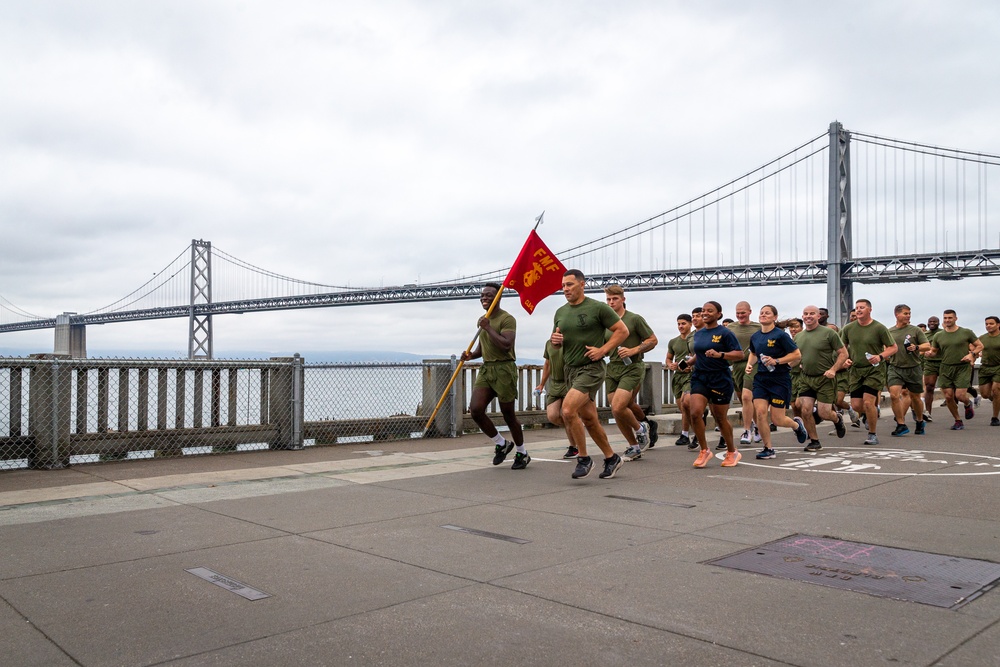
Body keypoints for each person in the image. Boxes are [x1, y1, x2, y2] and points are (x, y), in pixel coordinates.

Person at [550, 270, 629, 480]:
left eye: (569, 284)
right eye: (563, 285)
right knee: (590, 419)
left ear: (582, 284)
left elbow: (622, 331)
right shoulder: (560, 312)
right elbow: (556, 343)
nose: (565, 289)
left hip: (591, 369)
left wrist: (603, 350)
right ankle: (611, 458)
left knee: (567, 411)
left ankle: (583, 458)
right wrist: (555, 341)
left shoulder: (598, 308)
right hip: (570, 369)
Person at [461, 283, 529, 469]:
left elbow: (506, 344)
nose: (484, 298)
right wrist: (470, 356)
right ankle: (501, 443)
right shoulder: (482, 319)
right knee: (475, 409)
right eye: (482, 295)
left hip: (504, 369)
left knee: (508, 415)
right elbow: (482, 349)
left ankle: (522, 452)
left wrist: (488, 327)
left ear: (498, 298)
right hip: (487, 369)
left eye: (489, 295)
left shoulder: (507, 319)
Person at [603, 285, 659, 461]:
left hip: (632, 367)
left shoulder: (634, 319)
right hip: (612, 367)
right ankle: (634, 446)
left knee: (620, 406)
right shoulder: (605, 322)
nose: (611, 302)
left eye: (615, 299)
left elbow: (653, 340)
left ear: (623, 299)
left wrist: (633, 350)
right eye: (608, 299)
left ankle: (641, 428)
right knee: (617, 410)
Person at [745, 305, 806, 460]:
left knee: (777, 419)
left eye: (767, 313)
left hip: (780, 380)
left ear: (774, 317)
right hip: (762, 379)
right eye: (761, 313)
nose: (763, 315)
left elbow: (796, 354)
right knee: (760, 413)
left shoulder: (781, 336)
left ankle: (797, 426)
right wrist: (749, 364)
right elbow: (753, 353)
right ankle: (768, 448)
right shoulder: (755, 336)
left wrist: (777, 360)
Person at [688, 301, 743, 468]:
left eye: (709, 311)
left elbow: (739, 354)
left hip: (720, 379)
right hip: (700, 377)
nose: (705, 313)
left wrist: (721, 355)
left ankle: (732, 451)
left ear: (718, 314)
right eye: (703, 310)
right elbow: (699, 354)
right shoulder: (698, 333)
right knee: (696, 412)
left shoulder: (725, 333)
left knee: (720, 418)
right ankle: (704, 450)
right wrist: (687, 363)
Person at [840, 299, 897, 445]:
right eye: (857, 308)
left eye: (862, 308)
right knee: (857, 406)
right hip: (856, 370)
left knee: (867, 402)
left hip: (874, 370)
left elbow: (893, 347)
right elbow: (842, 348)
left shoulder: (879, 328)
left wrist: (880, 356)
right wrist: (845, 360)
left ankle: (872, 434)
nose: (858, 310)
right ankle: (870, 414)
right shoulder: (848, 328)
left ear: (870, 310)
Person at [795, 305, 848, 451]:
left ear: (818, 316)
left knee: (823, 413)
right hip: (806, 378)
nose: (808, 316)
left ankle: (837, 419)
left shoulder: (829, 333)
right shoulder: (799, 336)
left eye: (812, 313)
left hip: (825, 378)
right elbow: (795, 357)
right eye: (805, 314)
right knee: (806, 410)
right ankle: (814, 441)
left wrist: (833, 369)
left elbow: (844, 354)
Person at [928, 309, 984, 430]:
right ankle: (958, 420)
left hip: (962, 367)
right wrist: (928, 353)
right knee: (948, 396)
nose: (947, 320)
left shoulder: (966, 332)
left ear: (955, 318)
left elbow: (980, 346)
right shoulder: (938, 336)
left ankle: (968, 404)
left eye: (950, 318)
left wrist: (972, 354)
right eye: (945, 318)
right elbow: (934, 352)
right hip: (945, 367)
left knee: (959, 395)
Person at [887, 304, 930, 436]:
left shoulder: (915, 330)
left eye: (909, 313)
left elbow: (927, 346)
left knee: (915, 398)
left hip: (913, 368)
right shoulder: (890, 332)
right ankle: (901, 424)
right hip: (895, 368)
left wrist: (916, 347)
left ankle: (919, 420)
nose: (908, 316)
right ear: (897, 315)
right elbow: (885, 347)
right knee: (894, 395)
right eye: (905, 313)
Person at [728, 301, 762, 448]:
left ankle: (746, 431)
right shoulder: (731, 328)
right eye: (738, 313)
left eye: (743, 312)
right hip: (736, 366)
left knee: (747, 397)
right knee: (745, 400)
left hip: (753, 364)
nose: (740, 315)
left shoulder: (758, 327)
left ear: (750, 311)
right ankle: (758, 427)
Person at [535, 340, 573, 456]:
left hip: (570, 383)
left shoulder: (572, 341)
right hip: (555, 384)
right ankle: (576, 428)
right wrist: (542, 384)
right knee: (552, 416)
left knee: (566, 415)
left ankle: (574, 446)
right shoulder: (548, 344)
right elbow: (547, 364)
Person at [666, 313, 694, 447]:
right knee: (683, 408)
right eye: (678, 324)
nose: (680, 326)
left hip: (690, 376)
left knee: (686, 403)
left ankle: (687, 434)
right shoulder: (673, 341)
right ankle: (687, 434)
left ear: (690, 324)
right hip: (677, 376)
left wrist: (691, 366)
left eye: (683, 323)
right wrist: (670, 364)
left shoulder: (694, 339)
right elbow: (668, 358)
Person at [978, 316, 1000, 426]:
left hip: (998, 367)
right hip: (985, 367)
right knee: (986, 394)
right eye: (986, 324)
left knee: (996, 391)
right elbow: (973, 347)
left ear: (998, 325)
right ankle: (996, 399)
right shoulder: (982, 338)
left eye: (991, 324)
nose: (988, 326)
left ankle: (995, 418)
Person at [922, 316, 942, 423]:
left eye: (935, 321)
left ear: (939, 323)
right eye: (930, 322)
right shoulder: (925, 335)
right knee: (929, 387)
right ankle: (928, 413)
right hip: (930, 363)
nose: (932, 323)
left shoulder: (943, 334)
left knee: (948, 388)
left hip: (944, 362)